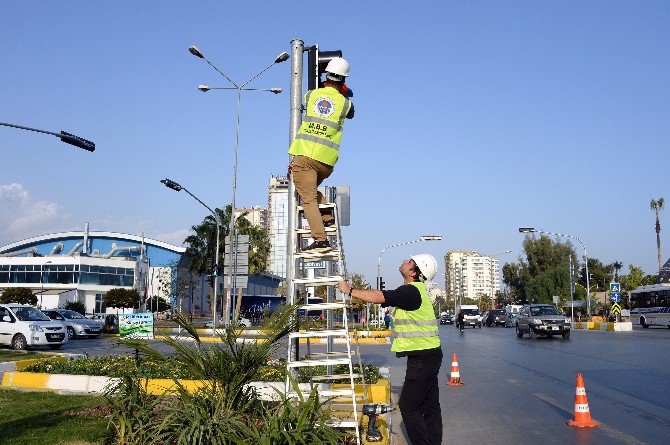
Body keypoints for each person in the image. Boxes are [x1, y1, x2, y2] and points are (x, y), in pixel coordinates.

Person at [338, 254, 442, 445]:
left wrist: (350, 290)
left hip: (423, 358)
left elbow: (380, 296)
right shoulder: (415, 291)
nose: (404, 260)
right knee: (430, 405)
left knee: (408, 406)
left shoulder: (411, 292)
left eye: (409, 262)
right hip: (428, 354)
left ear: (413, 271)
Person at [288, 57, 354, 253]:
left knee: (306, 198)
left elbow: (311, 98)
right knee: (309, 193)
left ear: (327, 75)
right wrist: (345, 93)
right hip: (325, 163)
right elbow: (352, 112)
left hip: (305, 156)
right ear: (343, 80)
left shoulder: (311, 96)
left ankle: (321, 240)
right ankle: (326, 218)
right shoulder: (345, 104)